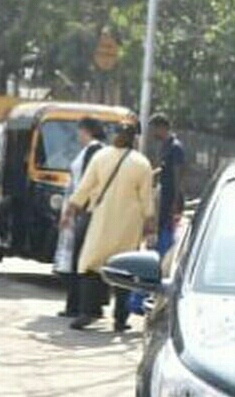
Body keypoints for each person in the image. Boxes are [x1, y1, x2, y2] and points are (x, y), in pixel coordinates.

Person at [65, 120, 154, 332]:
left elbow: (84, 188)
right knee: (124, 270)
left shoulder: (100, 157)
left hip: (102, 221)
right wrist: (149, 224)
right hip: (128, 225)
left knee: (90, 264)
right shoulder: (141, 163)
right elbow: (147, 200)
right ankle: (119, 320)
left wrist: (71, 209)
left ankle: (88, 312)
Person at [56, 117, 106, 318]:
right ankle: (86, 305)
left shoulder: (93, 150)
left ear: (86, 130)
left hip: (83, 211)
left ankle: (76, 306)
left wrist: (73, 210)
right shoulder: (94, 151)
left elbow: (86, 184)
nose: (78, 135)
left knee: (80, 259)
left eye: (80, 131)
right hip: (83, 209)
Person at [148, 113, 185, 258]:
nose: (152, 134)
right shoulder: (165, 146)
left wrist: (176, 201)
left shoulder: (175, 148)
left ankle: (166, 257)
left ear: (162, 128)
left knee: (168, 230)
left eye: (154, 129)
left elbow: (178, 175)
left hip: (171, 198)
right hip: (164, 196)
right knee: (161, 226)